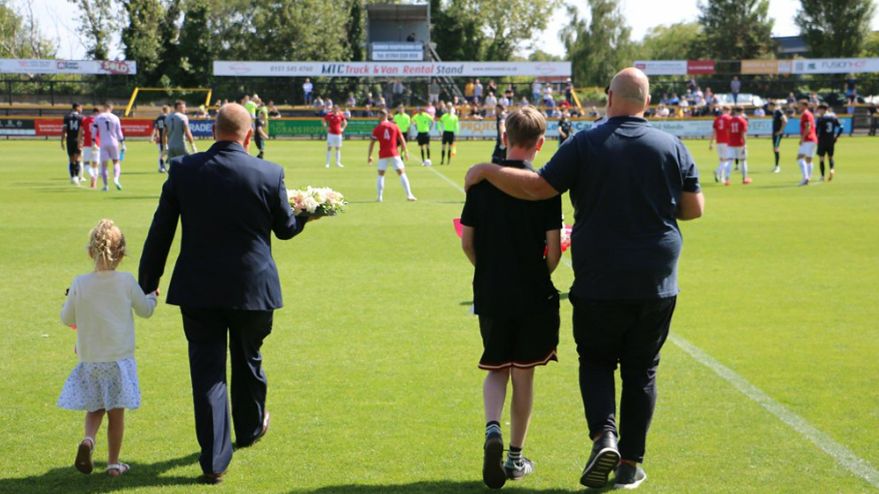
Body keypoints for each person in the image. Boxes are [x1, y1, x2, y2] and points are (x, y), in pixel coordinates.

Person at [464, 67, 703, 490]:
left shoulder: (586, 142)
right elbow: (692, 208)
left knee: (596, 361)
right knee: (642, 370)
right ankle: (630, 462)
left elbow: (539, 187)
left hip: (599, 276)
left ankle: (603, 436)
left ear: (610, 97)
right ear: (646, 101)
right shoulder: (673, 146)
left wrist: (486, 170)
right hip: (656, 277)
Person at [139, 103, 312, 484]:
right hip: (253, 287)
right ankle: (249, 429)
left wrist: (148, 278)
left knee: (207, 373)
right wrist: (306, 215)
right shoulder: (269, 172)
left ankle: (215, 461)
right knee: (248, 358)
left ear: (212, 131)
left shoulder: (184, 170)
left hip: (198, 288)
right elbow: (285, 229)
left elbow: (161, 229)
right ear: (248, 135)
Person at [460, 106, 562, 489]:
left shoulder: (482, 184)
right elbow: (554, 251)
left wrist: (486, 270)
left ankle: (492, 431)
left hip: (491, 288)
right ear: (540, 143)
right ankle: (515, 458)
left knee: (496, 365)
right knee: (524, 373)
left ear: (504, 138)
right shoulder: (545, 187)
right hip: (533, 291)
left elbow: (467, 241)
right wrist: (538, 274)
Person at [59, 219, 158, 477]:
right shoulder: (126, 281)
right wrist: (153, 297)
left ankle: (88, 440)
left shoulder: (80, 283)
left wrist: (72, 301)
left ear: (91, 251)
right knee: (116, 413)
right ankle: (113, 463)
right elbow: (145, 311)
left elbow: (67, 319)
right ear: (122, 252)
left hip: (91, 359)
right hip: (118, 361)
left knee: (94, 407)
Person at [368, 109, 416, 202]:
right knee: (402, 173)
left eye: (378, 114)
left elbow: (372, 143)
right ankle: (409, 195)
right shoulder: (394, 126)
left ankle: (379, 197)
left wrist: (369, 156)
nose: (378, 116)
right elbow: (402, 139)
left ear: (381, 116)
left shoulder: (377, 128)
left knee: (381, 175)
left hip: (383, 154)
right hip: (394, 153)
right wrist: (405, 151)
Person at [92, 102, 125, 192]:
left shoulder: (98, 117)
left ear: (104, 107)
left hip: (103, 143)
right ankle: (116, 179)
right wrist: (123, 144)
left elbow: (94, 130)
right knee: (116, 162)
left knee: (104, 165)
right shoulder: (115, 117)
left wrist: (93, 141)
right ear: (111, 108)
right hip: (114, 142)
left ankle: (106, 185)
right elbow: (119, 132)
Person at [815, 103, 843, 182]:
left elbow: (817, 130)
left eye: (819, 109)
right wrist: (837, 136)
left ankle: (822, 176)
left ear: (823, 109)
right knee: (830, 157)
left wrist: (816, 137)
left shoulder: (821, 119)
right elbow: (841, 127)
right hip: (831, 140)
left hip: (822, 140)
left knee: (821, 158)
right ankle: (832, 169)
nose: (818, 111)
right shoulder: (833, 117)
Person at [726, 106, 751, 185]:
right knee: (743, 161)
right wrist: (745, 143)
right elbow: (743, 133)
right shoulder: (743, 121)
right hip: (740, 143)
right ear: (742, 111)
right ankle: (744, 178)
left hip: (731, 143)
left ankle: (727, 179)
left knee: (729, 161)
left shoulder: (730, 120)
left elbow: (728, 131)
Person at [61, 102, 84, 185]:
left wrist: (62, 141)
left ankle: (72, 177)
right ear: (77, 107)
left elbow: (64, 130)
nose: (82, 109)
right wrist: (82, 140)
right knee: (78, 158)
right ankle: (76, 177)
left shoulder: (66, 117)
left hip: (69, 140)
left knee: (71, 159)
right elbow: (82, 131)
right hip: (78, 140)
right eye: (81, 107)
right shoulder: (81, 117)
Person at [797, 100, 818, 186]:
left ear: (805, 106)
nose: (798, 107)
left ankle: (805, 177)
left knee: (800, 158)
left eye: (800, 105)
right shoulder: (809, 114)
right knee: (809, 159)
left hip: (808, 139)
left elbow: (808, 127)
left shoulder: (806, 114)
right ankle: (808, 177)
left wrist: (802, 138)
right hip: (813, 139)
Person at [708, 106, 731, 183]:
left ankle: (722, 178)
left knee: (722, 160)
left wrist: (711, 143)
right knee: (728, 160)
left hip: (719, 142)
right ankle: (717, 171)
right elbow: (729, 131)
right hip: (727, 142)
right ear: (728, 110)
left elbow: (714, 132)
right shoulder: (729, 119)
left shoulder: (717, 119)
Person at [79, 108, 100, 189]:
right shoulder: (99, 120)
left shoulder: (85, 120)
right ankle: (94, 184)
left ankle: (92, 176)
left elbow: (80, 132)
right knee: (95, 165)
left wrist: (80, 141)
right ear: (97, 113)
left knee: (86, 164)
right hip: (97, 144)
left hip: (87, 144)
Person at [769, 101, 787, 173]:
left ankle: (777, 167)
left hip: (778, 134)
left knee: (776, 148)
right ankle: (776, 166)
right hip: (775, 133)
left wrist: (780, 131)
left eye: (769, 105)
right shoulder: (774, 112)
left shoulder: (779, 111)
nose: (768, 107)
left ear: (772, 105)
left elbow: (785, 120)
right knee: (774, 149)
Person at [152, 105, 170, 173]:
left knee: (161, 153)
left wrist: (155, 136)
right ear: (168, 110)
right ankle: (166, 166)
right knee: (168, 153)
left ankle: (162, 167)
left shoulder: (159, 118)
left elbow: (156, 128)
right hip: (168, 138)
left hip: (161, 138)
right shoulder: (169, 117)